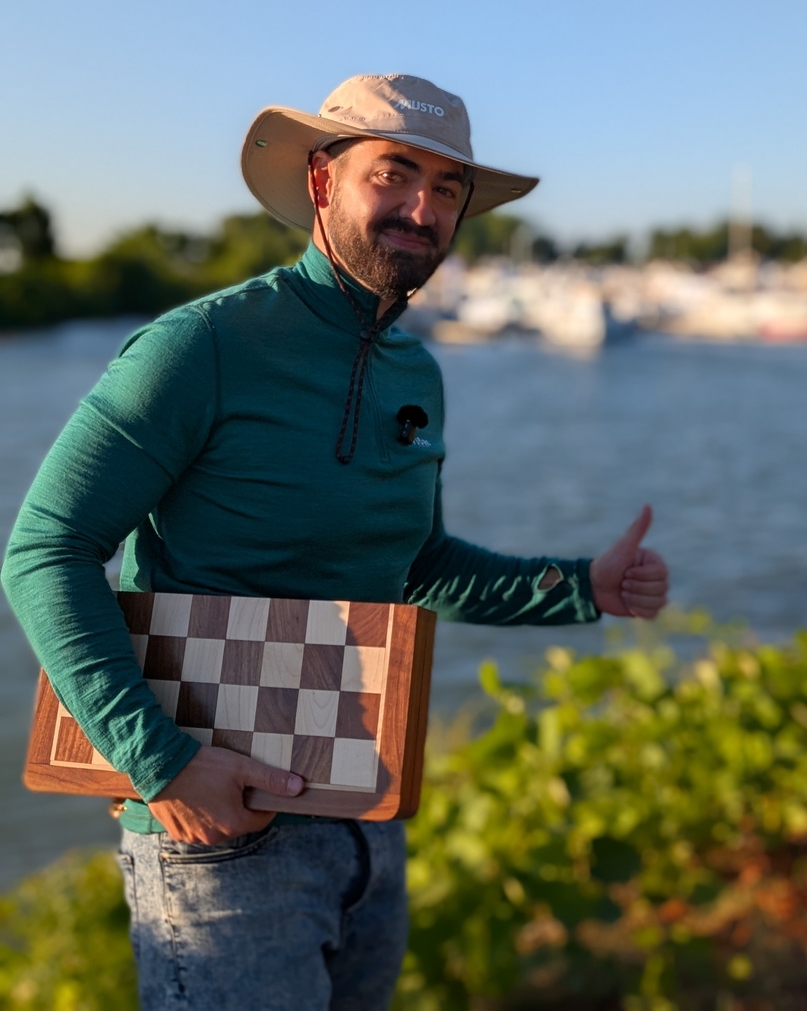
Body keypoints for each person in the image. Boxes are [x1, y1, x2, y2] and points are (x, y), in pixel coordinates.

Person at [2, 73, 669, 1010]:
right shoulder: (201, 346)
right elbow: (45, 549)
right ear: (321, 180)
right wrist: (162, 763)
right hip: (219, 832)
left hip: (363, 807)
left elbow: (418, 567)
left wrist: (583, 586)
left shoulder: (417, 372)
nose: (422, 209)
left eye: (447, 189)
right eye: (393, 174)